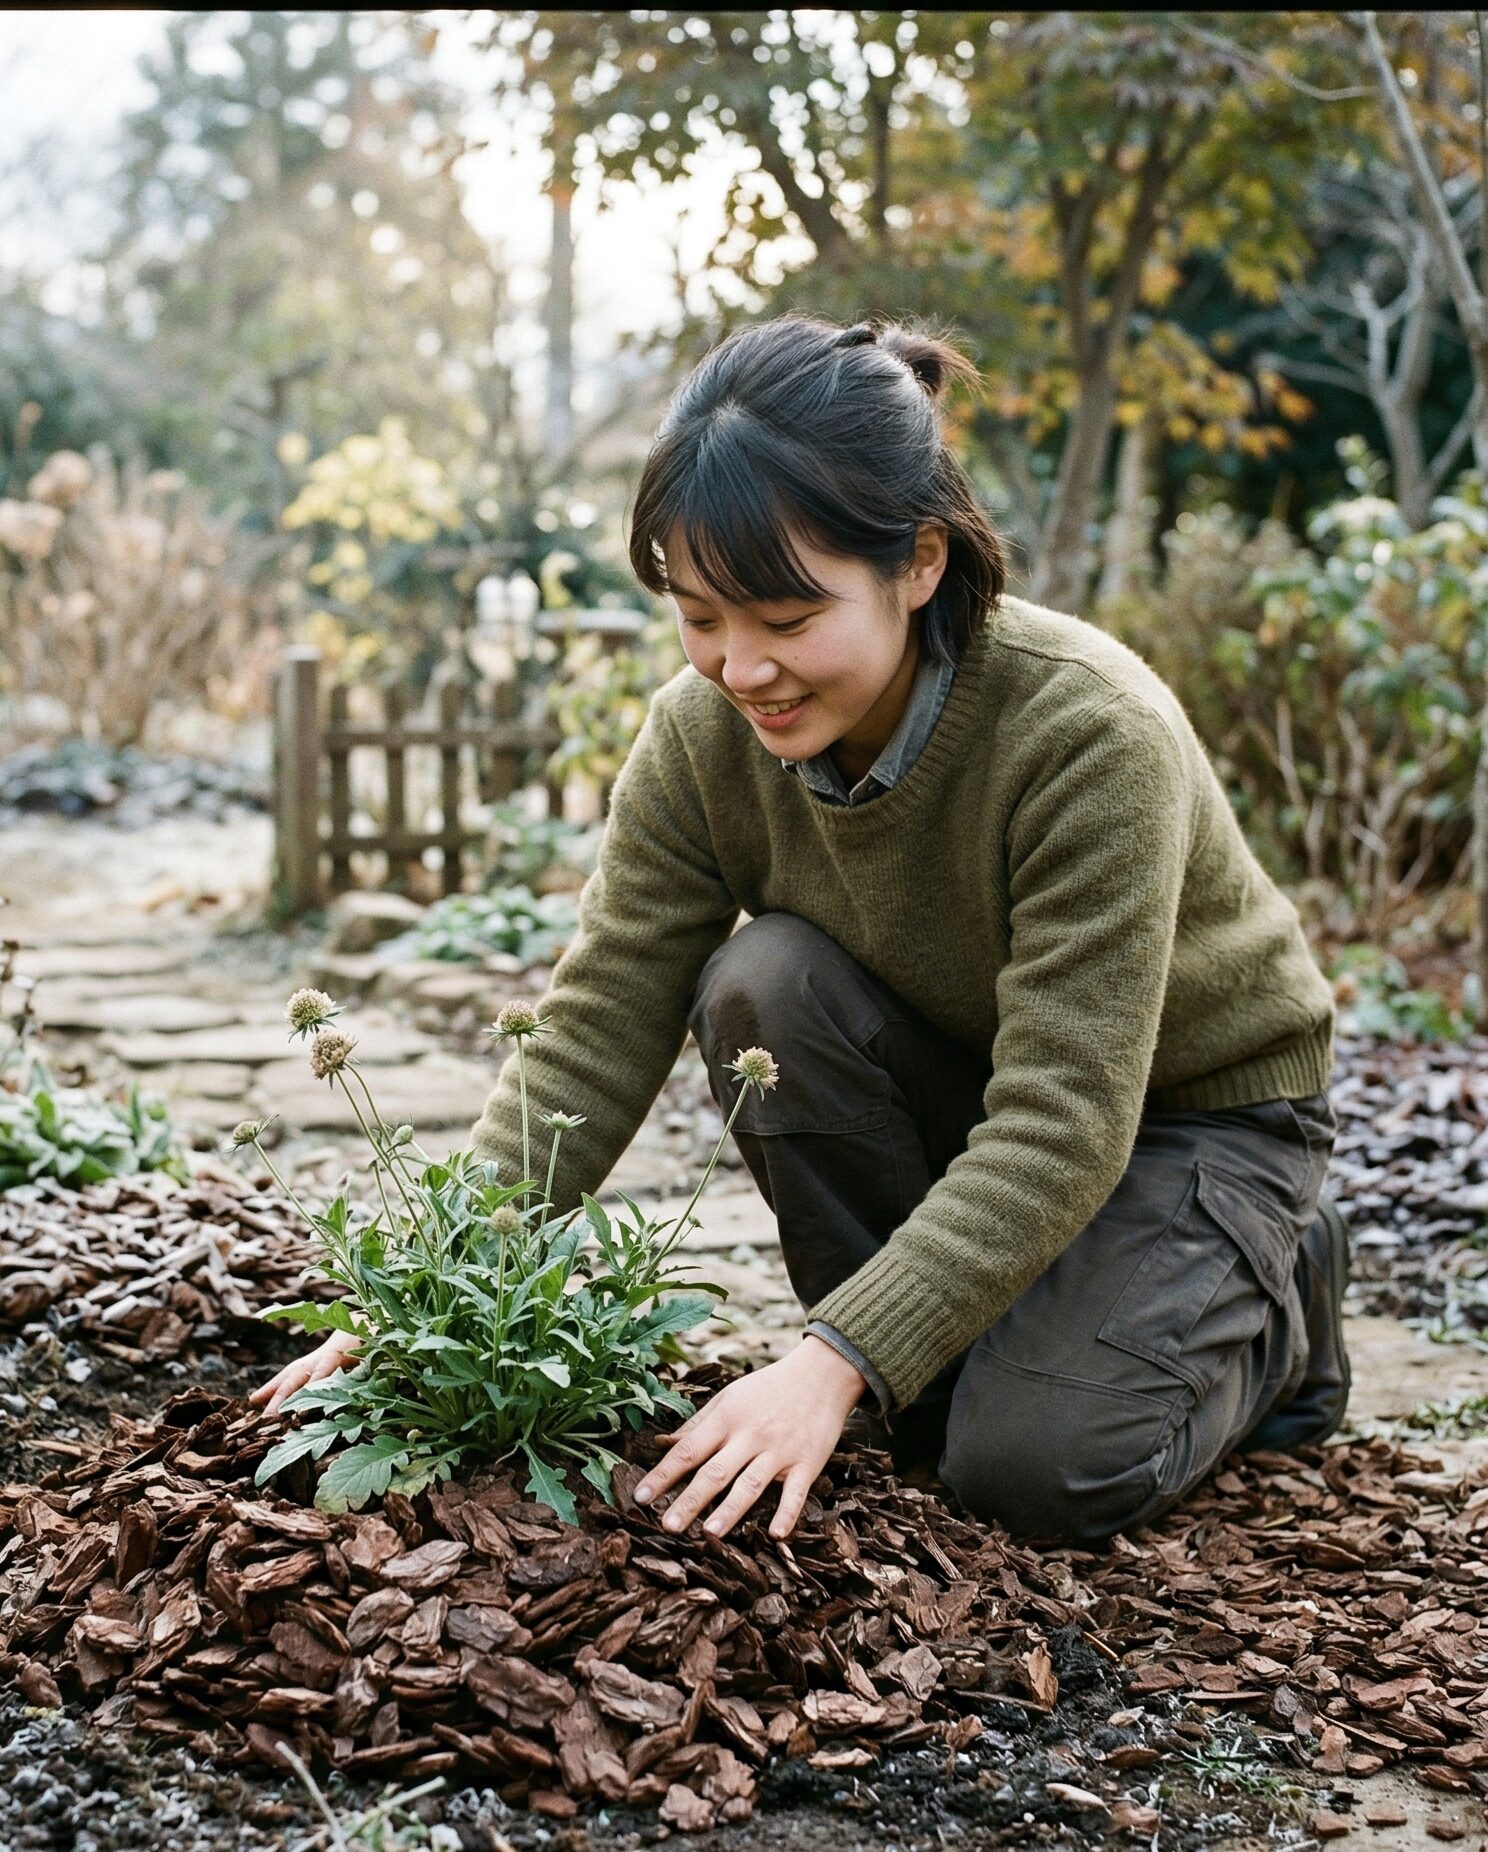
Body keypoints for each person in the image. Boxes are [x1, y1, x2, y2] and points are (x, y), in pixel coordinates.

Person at [252, 309, 1350, 1552]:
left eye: (785, 620)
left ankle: (1279, 1302)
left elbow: (1066, 1116)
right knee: (759, 984)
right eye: (700, 614)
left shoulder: (1084, 733)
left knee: (1030, 1470)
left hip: (1189, 1114)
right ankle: (975, 1344)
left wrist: (827, 1360)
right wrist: (419, 1287)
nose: (740, 667)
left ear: (919, 562)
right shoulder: (701, 731)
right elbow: (598, 1019)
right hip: (968, 1076)